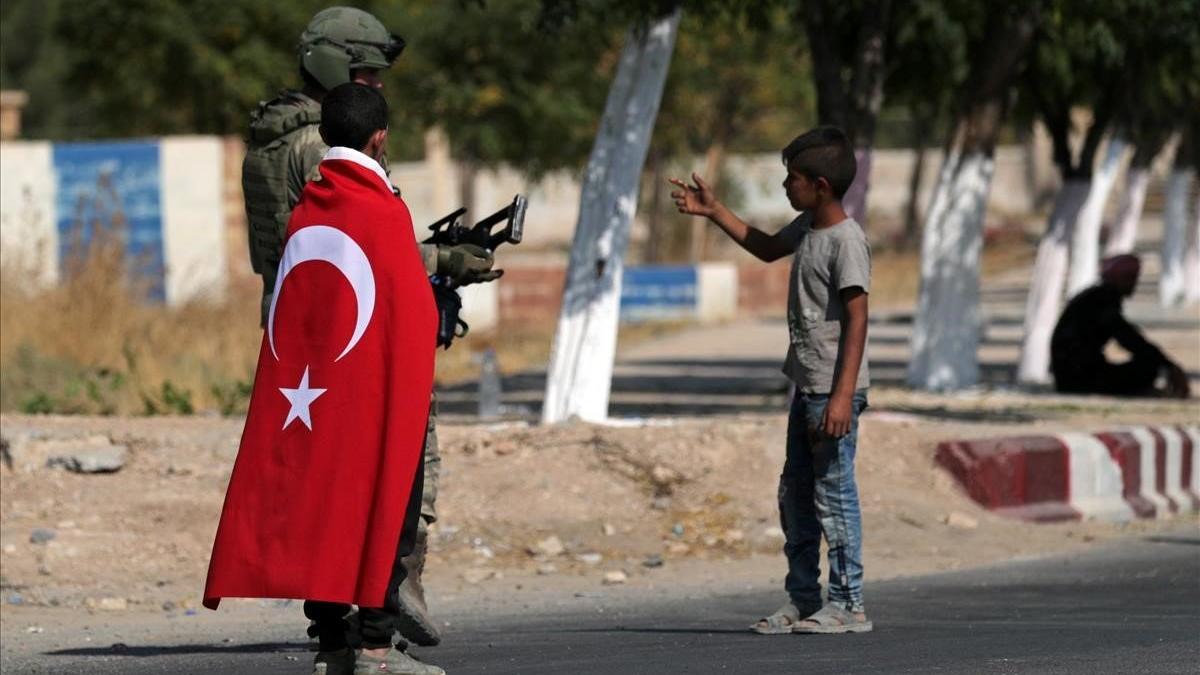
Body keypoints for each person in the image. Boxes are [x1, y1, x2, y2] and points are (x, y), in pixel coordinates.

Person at [241, 6, 486, 654]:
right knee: (399, 461)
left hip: (298, 322)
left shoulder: (271, 137)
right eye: (365, 75)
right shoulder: (322, 146)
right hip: (349, 325)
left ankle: (336, 624)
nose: (378, 88)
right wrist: (447, 259)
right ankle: (386, 601)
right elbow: (357, 241)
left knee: (321, 469)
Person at [206, 83, 443, 675]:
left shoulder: (308, 210)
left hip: (307, 399)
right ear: (380, 137)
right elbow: (413, 317)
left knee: (319, 508)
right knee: (388, 504)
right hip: (369, 399)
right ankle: (374, 652)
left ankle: (332, 648)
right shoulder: (383, 209)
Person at [670, 126, 873, 634]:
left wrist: (843, 396)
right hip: (808, 387)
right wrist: (714, 212)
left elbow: (858, 318)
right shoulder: (808, 227)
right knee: (795, 494)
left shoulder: (846, 242)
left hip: (833, 391)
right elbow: (764, 247)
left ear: (821, 185)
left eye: (794, 179)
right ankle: (803, 598)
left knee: (834, 495)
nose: (787, 186)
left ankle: (848, 603)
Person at [1051, 254, 1191, 398]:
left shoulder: (1096, 297)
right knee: (1148, 366)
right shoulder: (1102, 300)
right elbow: (1128, 338)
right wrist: (1168, 365)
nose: (1134, 283)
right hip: (1079, 378)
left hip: (1072, 375)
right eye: (1129, 277)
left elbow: (1128, 335)